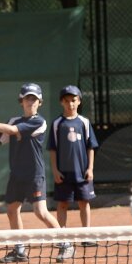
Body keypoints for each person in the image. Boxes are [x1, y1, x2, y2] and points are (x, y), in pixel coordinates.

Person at [0, 83, 70, 262]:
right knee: (12, 210)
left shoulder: (39, 121)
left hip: (34, 174)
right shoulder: (14, 120)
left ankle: (65, 244)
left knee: (40, 212)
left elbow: (12, 131)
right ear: (21, 101)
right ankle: (20, 250)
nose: (31, 102)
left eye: (34, 99)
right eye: (28, 98)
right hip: (17, 175)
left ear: (40, 102)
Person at [48, 85, 99, 234]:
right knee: (62, 204)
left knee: (84, 203)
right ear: (61, 102)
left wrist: (90, 169)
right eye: (66, 100)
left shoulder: (84, 122)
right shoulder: (57, 124)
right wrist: (55, 170)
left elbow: (91, 147)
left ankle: (86, 235)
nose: (70, 104)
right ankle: (62, 237)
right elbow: (52, 149)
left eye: (73, 100)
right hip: (63, 174)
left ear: (79, 102)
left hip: (82, 173)